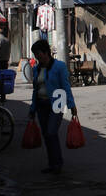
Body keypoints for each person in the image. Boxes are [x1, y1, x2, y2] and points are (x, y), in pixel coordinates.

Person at [27, 39, 76, 175]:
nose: (37, 57)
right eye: (35, 55)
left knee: (51, 132)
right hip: (41, 105)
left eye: (38, 54)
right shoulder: (36, 69)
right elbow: (35, 90)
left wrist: (72, 105)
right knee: (46, 135)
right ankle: (52, 163)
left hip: (57, 104)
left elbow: (66, 86)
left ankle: (57, 163)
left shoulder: (59, 67)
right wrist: (32, 108)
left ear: (46, 53)